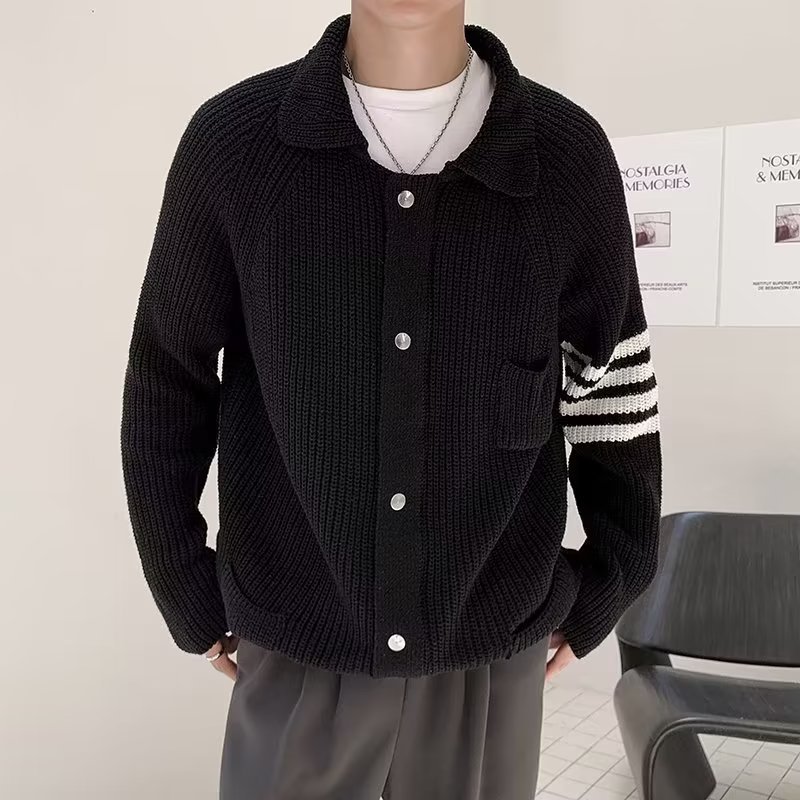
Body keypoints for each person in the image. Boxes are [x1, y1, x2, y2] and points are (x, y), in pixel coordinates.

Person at [120, 3, 662, 798]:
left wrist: (613, 576)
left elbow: (613, 381)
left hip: (490, 650)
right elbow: (168, 377)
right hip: (295, 639)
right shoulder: (236, 146)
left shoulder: (565, 156)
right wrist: (182, 584)